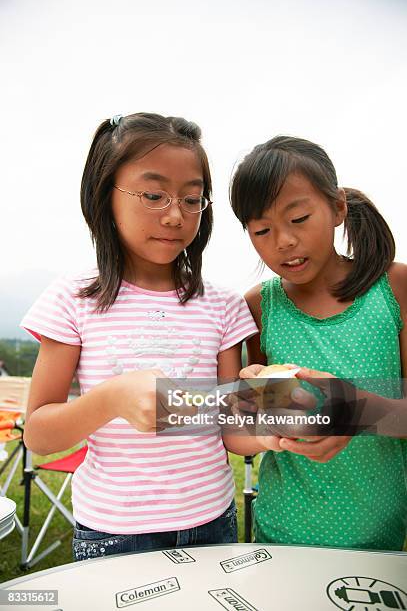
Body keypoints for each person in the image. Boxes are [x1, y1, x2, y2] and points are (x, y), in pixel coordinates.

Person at [21, 112, 258, 560]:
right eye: (154, 195)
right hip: (114, 531)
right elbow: (38, 433)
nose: (174, 215)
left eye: (192, 199)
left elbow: (231, 428)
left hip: (212, 520)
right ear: (104, 193)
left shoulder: (223, 304)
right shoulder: (75, 298)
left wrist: (279, 422)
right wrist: (110, 399)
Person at [225, 135, 407, 550]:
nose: (283, 241)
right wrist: (262, 408)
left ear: (338, 207)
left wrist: (355, 412)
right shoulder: (257, 306)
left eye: (300, 218)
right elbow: (242, 426)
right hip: (281, 534)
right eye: (262, 230)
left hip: (383, 536)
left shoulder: (394, 288)